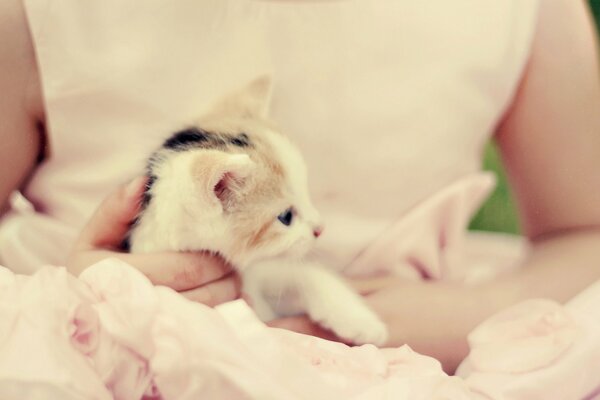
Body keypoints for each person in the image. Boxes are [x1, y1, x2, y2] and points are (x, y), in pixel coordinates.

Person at [1, 0, 599, 373]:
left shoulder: (525, 11)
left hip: (416, 367)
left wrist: (466, 317)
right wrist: (73, 305)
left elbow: (588, 234)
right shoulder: (38, 15)